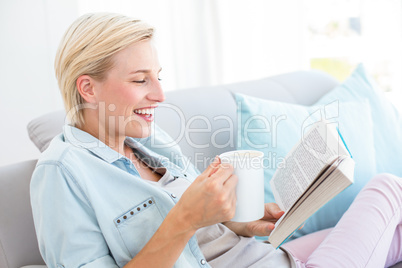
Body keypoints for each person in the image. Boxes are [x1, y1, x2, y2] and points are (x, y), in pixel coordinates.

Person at [30, 12, 402, 268]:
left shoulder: (149, 142)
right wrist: (185, 219)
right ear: (88, 88)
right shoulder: (62, 174)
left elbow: (206, 235)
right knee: (389, 190)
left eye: (158, 76)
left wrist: (242, 222)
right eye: (141, 80)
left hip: (273, 257)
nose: (160, 95)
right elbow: (186, 228)